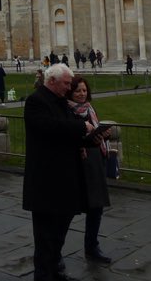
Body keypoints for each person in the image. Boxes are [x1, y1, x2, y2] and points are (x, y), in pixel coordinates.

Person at [23, 64, 93, 281]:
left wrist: (93, 136)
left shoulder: (61, 101)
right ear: (52, 81)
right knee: (45, 236)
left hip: (65, 179)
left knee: (58, 235)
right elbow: (49, 127)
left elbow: (69, 130)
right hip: (45, 181)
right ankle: (43, 276)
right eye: (66, 84)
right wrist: (82, 128)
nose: (69, 88)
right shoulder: (36, 101)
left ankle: (55, 271)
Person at [67, 76, 112, 264]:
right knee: (68, 210)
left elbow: (94, 133)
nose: (81, 94)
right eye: (77, 90)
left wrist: (104, 135)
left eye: (84, 90)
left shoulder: (89, 109)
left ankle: (92, 246)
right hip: (78, 163)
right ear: (70, 92)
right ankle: (55, 252)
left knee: (96, 207)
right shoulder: (66, 111)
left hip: (95, 161)